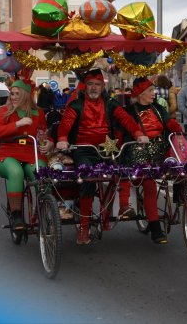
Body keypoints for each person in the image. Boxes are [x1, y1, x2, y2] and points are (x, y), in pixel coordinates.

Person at [55, 69, 148, 245]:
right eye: (90, 84)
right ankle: (84, 226)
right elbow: (65, 124)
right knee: (88, 179)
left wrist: (137, 134)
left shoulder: (110, 104)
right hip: (83, 149)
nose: (93, 88)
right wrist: (62, 139)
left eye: (97, 84)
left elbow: (126, 119)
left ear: (102, 86)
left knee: (121, 171)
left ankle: (120, 207)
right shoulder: (76, 105)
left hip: (106, 148)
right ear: (84, 87)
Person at [120, 78, 184, 243]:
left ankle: (180, 194)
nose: (154, 93)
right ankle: (156, 228)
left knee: (182, 165)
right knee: (149, 184)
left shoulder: (158, 108)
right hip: (138, 150)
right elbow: (123, 132)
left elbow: (169, 122)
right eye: (150, 91)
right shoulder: (128, 111)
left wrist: (178, 130)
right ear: (141, 93)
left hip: (160, 149)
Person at [0, 80, 53, 231]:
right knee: (15, 172)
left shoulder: (38, 113)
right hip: (8, 152)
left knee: (41, 174)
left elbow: (43, 134)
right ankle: (16, 215)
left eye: (17, 94)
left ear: (26, 95)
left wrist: (49, 143)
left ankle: (44, 210)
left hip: (31, 153)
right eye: (12, 93)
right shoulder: (5, 111)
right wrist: (17, 124)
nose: (13, 97)